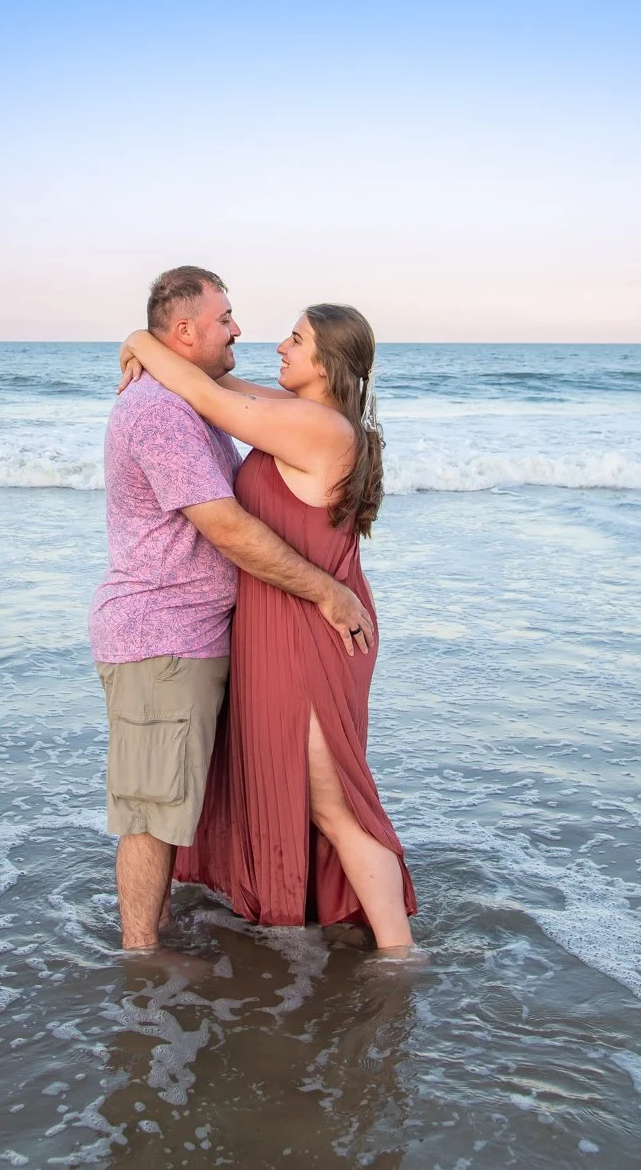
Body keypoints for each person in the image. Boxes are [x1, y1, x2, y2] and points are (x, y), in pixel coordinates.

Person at [89, 267, 376, 951]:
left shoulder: (198, 401)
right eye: (225, 319)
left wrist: (139, 337)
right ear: (186, 331)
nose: (242, 330)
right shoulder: (163, 412)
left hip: (197, 637)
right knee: (153, 810)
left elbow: (221, 393)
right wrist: (326, 590)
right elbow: (228, 528)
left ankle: (161, 938)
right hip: (163, 638)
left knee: (173, 800)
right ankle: (140, 960)